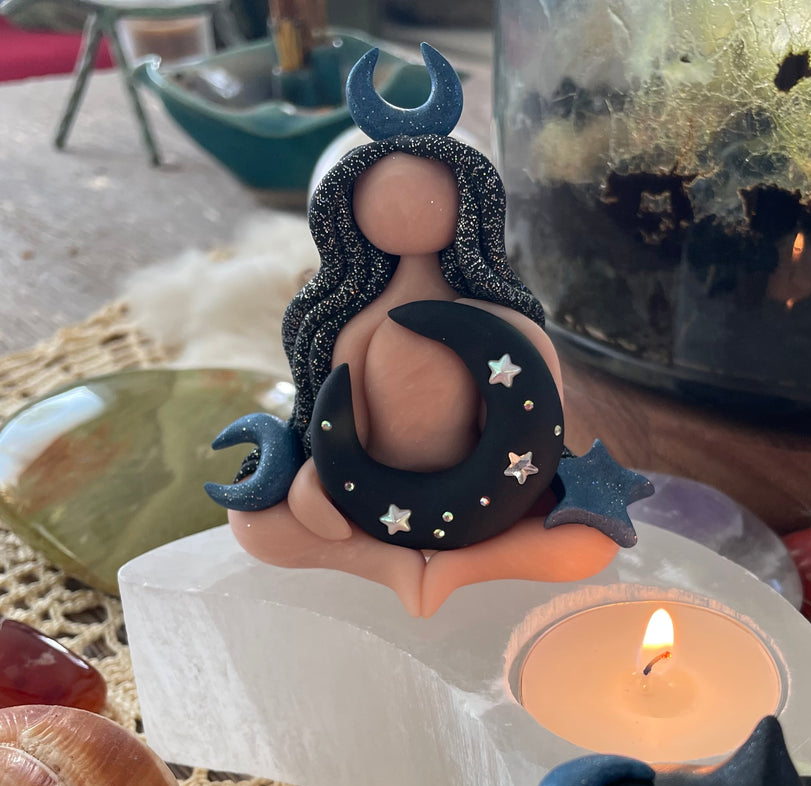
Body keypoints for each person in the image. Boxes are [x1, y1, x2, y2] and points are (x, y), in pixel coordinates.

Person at [208, 47, 628, 617]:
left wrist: (522, 488)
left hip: (493, 499)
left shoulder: (502, 321)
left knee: (592, 540)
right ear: (348, 211)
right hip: (374, 505)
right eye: (384, 200)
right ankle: (385, 565)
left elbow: (538, 426)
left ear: (468, 204)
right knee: (254, 524)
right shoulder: (357, 328)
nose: (406, 212)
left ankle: (463, 567)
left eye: (427, 197)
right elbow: (336, 426)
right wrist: (312, 484)